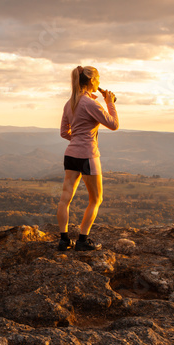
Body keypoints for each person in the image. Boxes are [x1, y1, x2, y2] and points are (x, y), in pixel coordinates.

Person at [56, 65, 118, 251]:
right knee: (96, 199)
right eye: (98, 80)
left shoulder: (70, 103)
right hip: (88, 156)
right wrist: (110, 102)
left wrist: (76, 139)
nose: (99, 83)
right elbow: (113, 124)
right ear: (92, 81)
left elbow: (63, 132)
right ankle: (82, 240)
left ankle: (64, 240)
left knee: (65, 198)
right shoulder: (90, 103)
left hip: (70, 155)